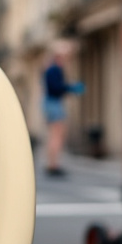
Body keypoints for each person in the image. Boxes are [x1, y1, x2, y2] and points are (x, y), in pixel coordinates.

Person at [42, 45, 82, 177]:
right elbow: (56, 88)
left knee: (54, 135)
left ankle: (52, 163)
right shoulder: (55, 69)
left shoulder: (50, 69)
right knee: (57, 134)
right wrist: (70, 88)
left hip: (50, 103)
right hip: (54, 104)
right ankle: (53, 164)